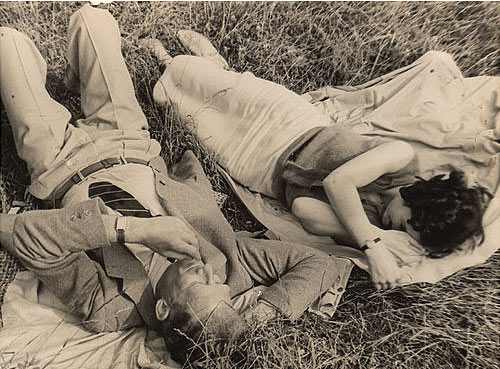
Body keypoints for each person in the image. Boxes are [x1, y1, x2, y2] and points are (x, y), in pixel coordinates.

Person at [0, 5, 348, 363]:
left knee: (7, 42)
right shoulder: (224, 263)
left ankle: (50, 87)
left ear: (163, 310)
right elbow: (319, 264)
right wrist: (254, 316)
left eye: (201, 285)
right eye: (223, 291)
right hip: (128, 142)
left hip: (59, 162)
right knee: (93, 19)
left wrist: (131, 231)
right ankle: (75, 80)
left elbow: (16, 233)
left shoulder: (109, 306)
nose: (212, 275)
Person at [149, 32, 492, 289]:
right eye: (404, 225)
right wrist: (373, 246)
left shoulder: (368, 225)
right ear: (421, 200)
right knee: (216, 84)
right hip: (291, 123)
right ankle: (177, 60)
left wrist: (373, 236)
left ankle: (184, 67)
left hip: (262, 167)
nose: (394, 228)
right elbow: (338, 182)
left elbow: (304, 211)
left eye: (401, 233)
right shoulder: (403, 159)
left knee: (179, 108)